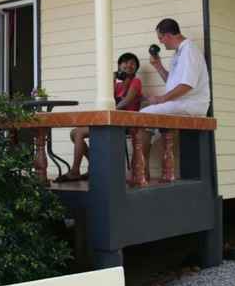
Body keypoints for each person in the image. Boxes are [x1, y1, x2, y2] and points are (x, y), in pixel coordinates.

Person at [55, 53, 143, 182]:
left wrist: (110, 111)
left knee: (78, 133)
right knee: (74, 133)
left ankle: (75, 171)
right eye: (125, 62)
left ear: (136, 68)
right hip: (110, 120)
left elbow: (127, 101)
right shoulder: (115, 83)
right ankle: (96, 166)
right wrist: (110, 80)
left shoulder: (136, 81)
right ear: (119, 65)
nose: (129, 65)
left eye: (133, 63)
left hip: (125, 122)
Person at [140, 18, 211, 177]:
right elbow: (173, 83)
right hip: (180, 103)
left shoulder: (189, 51)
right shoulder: (178, 53)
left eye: (160, 38)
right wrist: (158, 66)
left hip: (192, 105)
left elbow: (187, 85)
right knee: (148, 122)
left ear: (168, 36)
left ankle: (140, 172)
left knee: (143, 117)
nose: (160, 42)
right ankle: (144, 172)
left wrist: (161, 99)